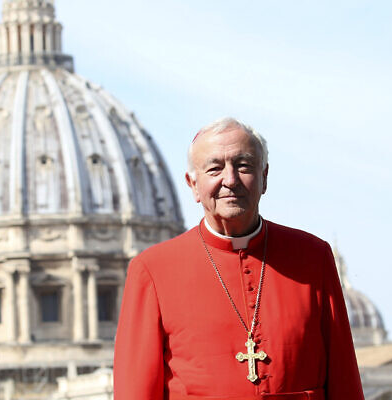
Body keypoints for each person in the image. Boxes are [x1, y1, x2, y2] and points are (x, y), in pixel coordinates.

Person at [114, 118, 364, 399]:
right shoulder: (152, 269)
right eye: (215, 169)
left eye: (243, 166)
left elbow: (344, 380)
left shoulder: (313, 257)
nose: (230, 180)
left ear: (264, 177)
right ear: (193, 185)